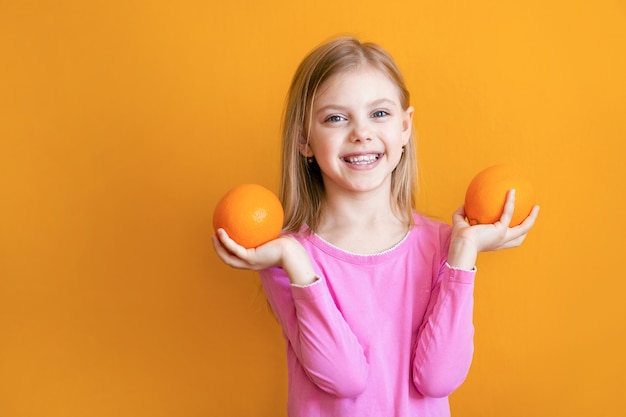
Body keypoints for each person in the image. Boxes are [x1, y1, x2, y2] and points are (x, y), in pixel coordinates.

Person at [212, 36, 540, 417]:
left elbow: (438, 380)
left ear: (405, 127)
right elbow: (343, 378)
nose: (361, 133)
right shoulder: (285, 258)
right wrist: (294, 261)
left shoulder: (445, 247)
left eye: (379, 114)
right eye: (336, 118)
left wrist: (463, 258)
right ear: (304, 139)